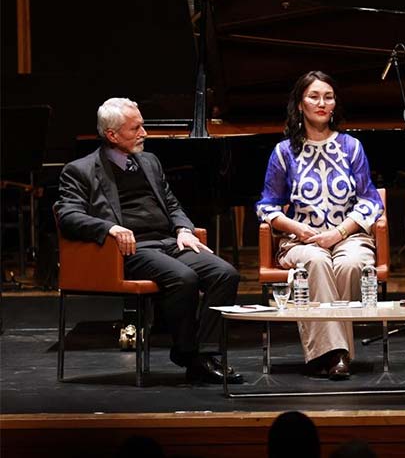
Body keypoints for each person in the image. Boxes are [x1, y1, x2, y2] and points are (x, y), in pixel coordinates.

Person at [55, 98, 242, 385]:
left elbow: (171, 202)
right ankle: (189, 354)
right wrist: (110, 228)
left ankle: (204, 355)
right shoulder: (80, 170)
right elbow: (67, 215)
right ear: (112, 135)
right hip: (128, 250)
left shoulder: (149, 162)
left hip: (167, 242)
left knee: (224, 273)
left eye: (142, 126)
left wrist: (183, 229)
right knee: (184, 278)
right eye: (136, 128)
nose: (144, 133)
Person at [256, 71, 384, 380]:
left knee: (352, 265)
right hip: (303, 240)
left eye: (328, 97)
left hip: (347, 236)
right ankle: (338, 355)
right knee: (315, 262)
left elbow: (370, 201)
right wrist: (298, 229)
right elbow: (267, 206)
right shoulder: (284, 152)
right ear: (300, 105)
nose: (322, 103)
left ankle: (324, 353)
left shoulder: (351, 147)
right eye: (314, 97)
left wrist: (339, 233)